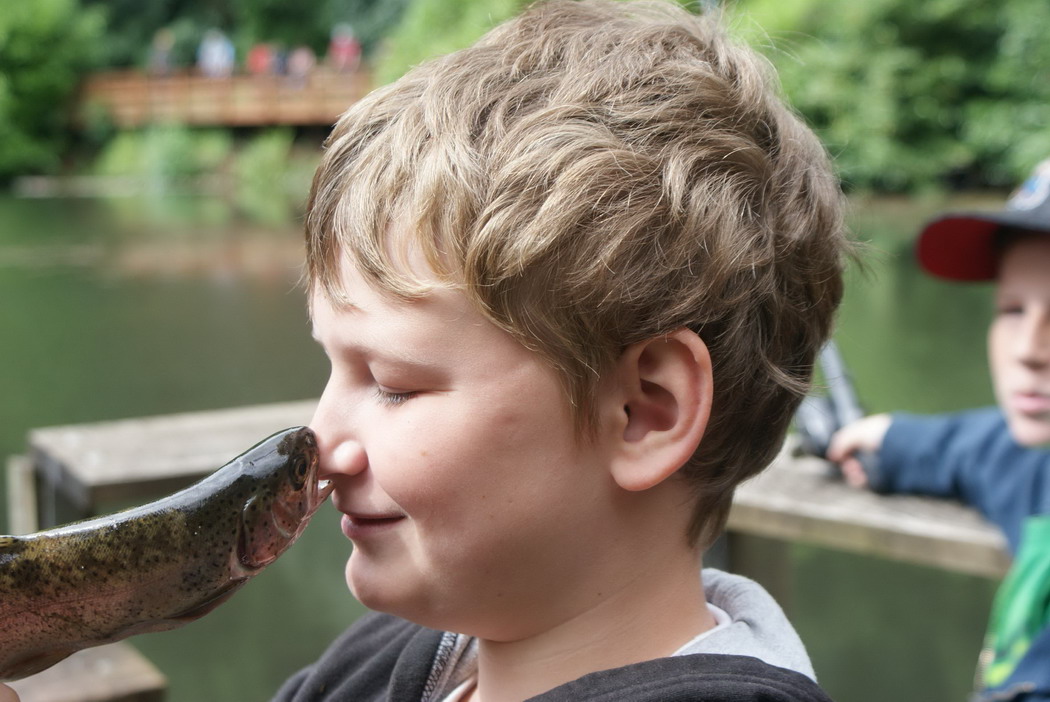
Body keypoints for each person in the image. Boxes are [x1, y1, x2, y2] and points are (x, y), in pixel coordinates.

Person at [273, 1, 850, 700]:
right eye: (333, 367)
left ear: (645, 411)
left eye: (394, 384)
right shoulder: (369, 667)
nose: (321, 444)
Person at [829, 159, 1050, 701]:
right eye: (1013, 309)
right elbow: (978, 447)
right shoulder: (1033, 461)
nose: (1029, 351)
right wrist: (893, 440)